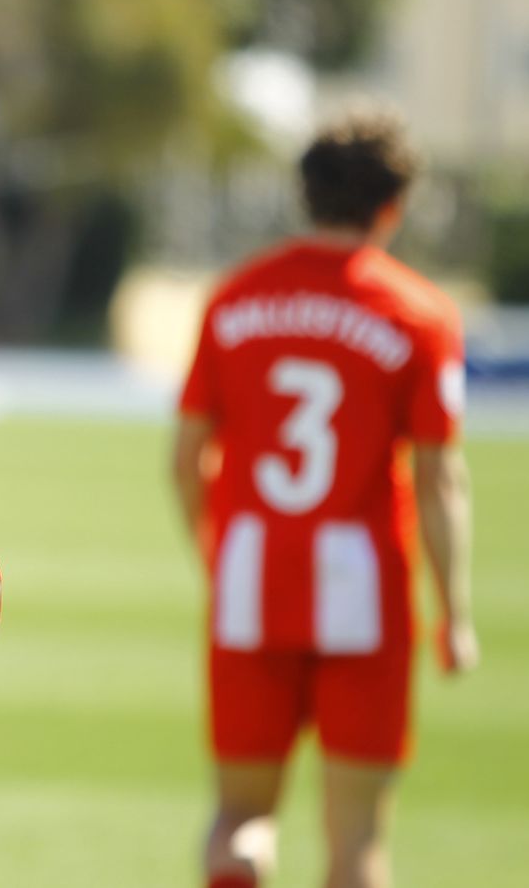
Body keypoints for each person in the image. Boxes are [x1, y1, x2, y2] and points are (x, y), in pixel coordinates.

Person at [172, 111, 476, 888]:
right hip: (362, 593)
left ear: (304, 195)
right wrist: (456, 614)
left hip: (252, 575)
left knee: (240, 817)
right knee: (358, 841)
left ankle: (241, 864)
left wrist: (215, 549)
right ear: (393, 206)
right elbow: (442, 478)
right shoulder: (419, 316)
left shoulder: (235, 299)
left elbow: (185, 456)